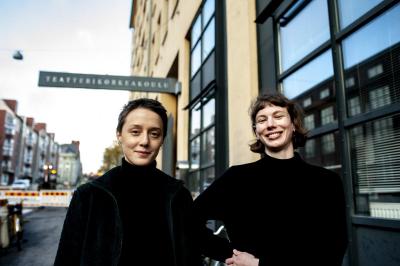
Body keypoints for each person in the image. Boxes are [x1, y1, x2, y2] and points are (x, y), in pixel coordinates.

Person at [193, 92, 348, 266]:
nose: (271, 124)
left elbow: (333, 251)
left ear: (294, 124)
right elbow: (186, 221)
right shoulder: (236, 179)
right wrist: (229, 255)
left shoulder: (326, 182)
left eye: (278, 116)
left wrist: (260, 264)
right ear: (257, 132)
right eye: (262, 120)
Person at [54, 98, 201, 266]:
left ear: (162, 140)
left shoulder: (178, 196)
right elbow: (66, 258)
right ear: (119, 135)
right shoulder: (89, 195)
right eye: (135, 132)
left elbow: (191, 257)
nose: (145, 141)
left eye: (154, 134)